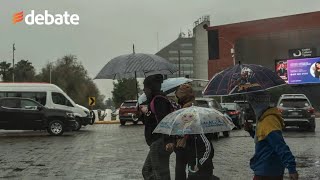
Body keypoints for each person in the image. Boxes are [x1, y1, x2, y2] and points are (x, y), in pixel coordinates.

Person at [244, 92, 299, 180]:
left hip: (268, 171)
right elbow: (264, 139)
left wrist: (291, 168)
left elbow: (280, 145)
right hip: (264, 168)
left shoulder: (269, 121)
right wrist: (251, 131)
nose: (251, 107)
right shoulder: (263, 119)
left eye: (252, 102)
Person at [174, 84, 216, 180]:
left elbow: (207, 148)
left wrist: (200, 163)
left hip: (192, 150)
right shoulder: (186, 107)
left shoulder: (189, 108)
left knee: (186, 172)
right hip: (188, 149)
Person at [142, 74, 175, 180]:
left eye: (145, 87)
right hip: (157, 142)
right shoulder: (153, 100)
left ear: (151, 88)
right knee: (150, 171)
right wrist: (144, 113)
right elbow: (150, 120)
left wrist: (168, 140)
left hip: (160, 142)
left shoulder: (159, 100)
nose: (144, 90)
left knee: (157, 173)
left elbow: (164, 121)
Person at [174, 84, 196, 180]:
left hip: (184, 143)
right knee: (192, 170)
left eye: (178, 95)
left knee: (180, 170)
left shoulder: (185, 109)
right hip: (192, 144)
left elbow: (182, 126)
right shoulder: (194, 105)